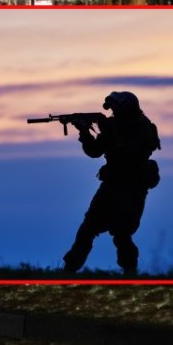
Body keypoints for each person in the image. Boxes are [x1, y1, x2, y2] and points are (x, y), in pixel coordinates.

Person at [62, 91, 160, 277]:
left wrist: (106, 130)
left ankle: (130, 271)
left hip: (131, 187)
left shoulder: (142, 127)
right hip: (111, 185)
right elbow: (94, 151)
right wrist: (84, 131)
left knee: (122, 232)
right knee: (88, 227)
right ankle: (69, 270)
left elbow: (130, 151)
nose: (113, 112)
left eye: (116, 108)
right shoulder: (112, 126)